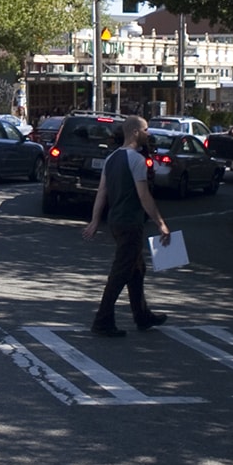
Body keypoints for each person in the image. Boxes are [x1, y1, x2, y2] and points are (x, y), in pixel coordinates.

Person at [83, 114, 170, 336]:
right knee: (121, 271)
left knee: (137, 269)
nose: (148, 134)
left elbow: (102, 192)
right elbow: (144, 197)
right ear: (134, 133)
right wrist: (161, 224)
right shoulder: (137, 160)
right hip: (131, 222)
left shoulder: (111, 158)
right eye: (146, 130)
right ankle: (102, 321)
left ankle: (142, 316)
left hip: (115, 221)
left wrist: (95, 220)